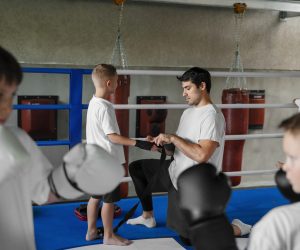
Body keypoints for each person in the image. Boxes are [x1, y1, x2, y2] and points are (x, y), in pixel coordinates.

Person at [0, 47, 125, 250]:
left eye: (11, 95)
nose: (6, 107)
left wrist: (71, 175)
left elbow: (43, 192)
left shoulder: (18, 139)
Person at [127, 67, 251, 244]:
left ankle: (238, 227)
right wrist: (162, 145)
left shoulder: (212, 116)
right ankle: (148, 216)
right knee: (137, 168)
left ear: (202, 86)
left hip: (194, 185)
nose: (183, 93)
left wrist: (174, 138)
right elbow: (178, 149)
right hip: (173, 171)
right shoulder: (188, 112)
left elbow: (201, 155)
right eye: (183, 88)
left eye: (187, 88)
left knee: (190, 238)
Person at [177, 112, 300, 250]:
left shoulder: (280, 223)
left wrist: (208, 226)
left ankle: (237, 228)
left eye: (293, 158)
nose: (285, 166)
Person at [85, 64, 152, 246]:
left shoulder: (93, 102)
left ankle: (91, 231)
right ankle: (108, 236)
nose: (118, 84)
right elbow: (112, 137)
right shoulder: (105, 107)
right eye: (116, 81)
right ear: (109, 83)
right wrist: (138, 143)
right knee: (109, 201)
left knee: (95, 197)